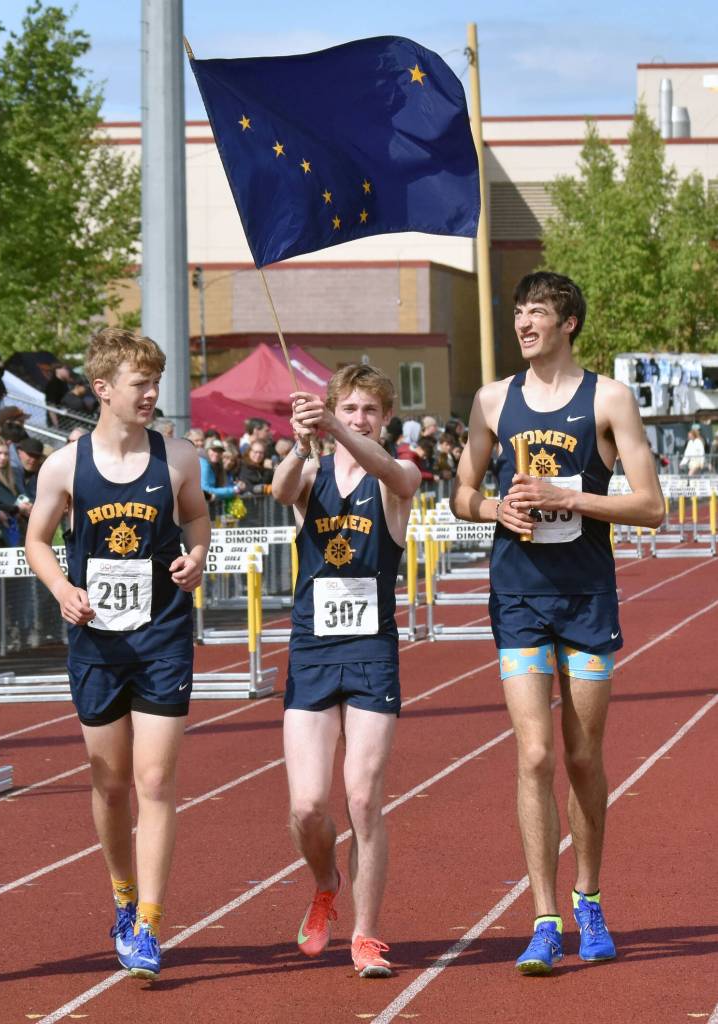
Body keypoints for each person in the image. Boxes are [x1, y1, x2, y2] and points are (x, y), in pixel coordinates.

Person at [450, 272, 665, 975]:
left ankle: (590, 896)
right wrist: (494, 511)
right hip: (517, 597)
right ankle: (544, 917)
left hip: (585, 599)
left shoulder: (608, 399)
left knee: (580, 756)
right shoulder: (492, 400)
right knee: (535, 755)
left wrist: (565, 497)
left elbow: (651, 506)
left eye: (537, 312)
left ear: (568, 322)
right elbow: (461, 491)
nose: (523, 324)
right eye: (518, 313)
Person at [24, 326, 209, 980]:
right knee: (110, 784)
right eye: (140, 383)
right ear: (103, 389)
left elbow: (197, 517)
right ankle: (124, 898)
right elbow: (37, 539)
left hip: (160, 635)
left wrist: (196, 558)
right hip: (97, 643)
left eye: (155, 382)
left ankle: (152, 923)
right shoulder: (64, 466)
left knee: (155, 781)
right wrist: (61, 588)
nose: (152, 393)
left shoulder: (177, 457)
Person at [270, 364, 421, 978]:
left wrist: (334, 426)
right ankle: (325, 878)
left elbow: (393, 472)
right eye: (349, 409)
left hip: (370, 653)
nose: (359, 419)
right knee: (308, 807)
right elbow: (281, 491)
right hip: (311, 650)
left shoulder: (396, 476)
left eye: (369, 412)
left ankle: (366, 933)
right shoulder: (310, 473)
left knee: (362, 797)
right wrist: (301, 441)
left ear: (383, 419)